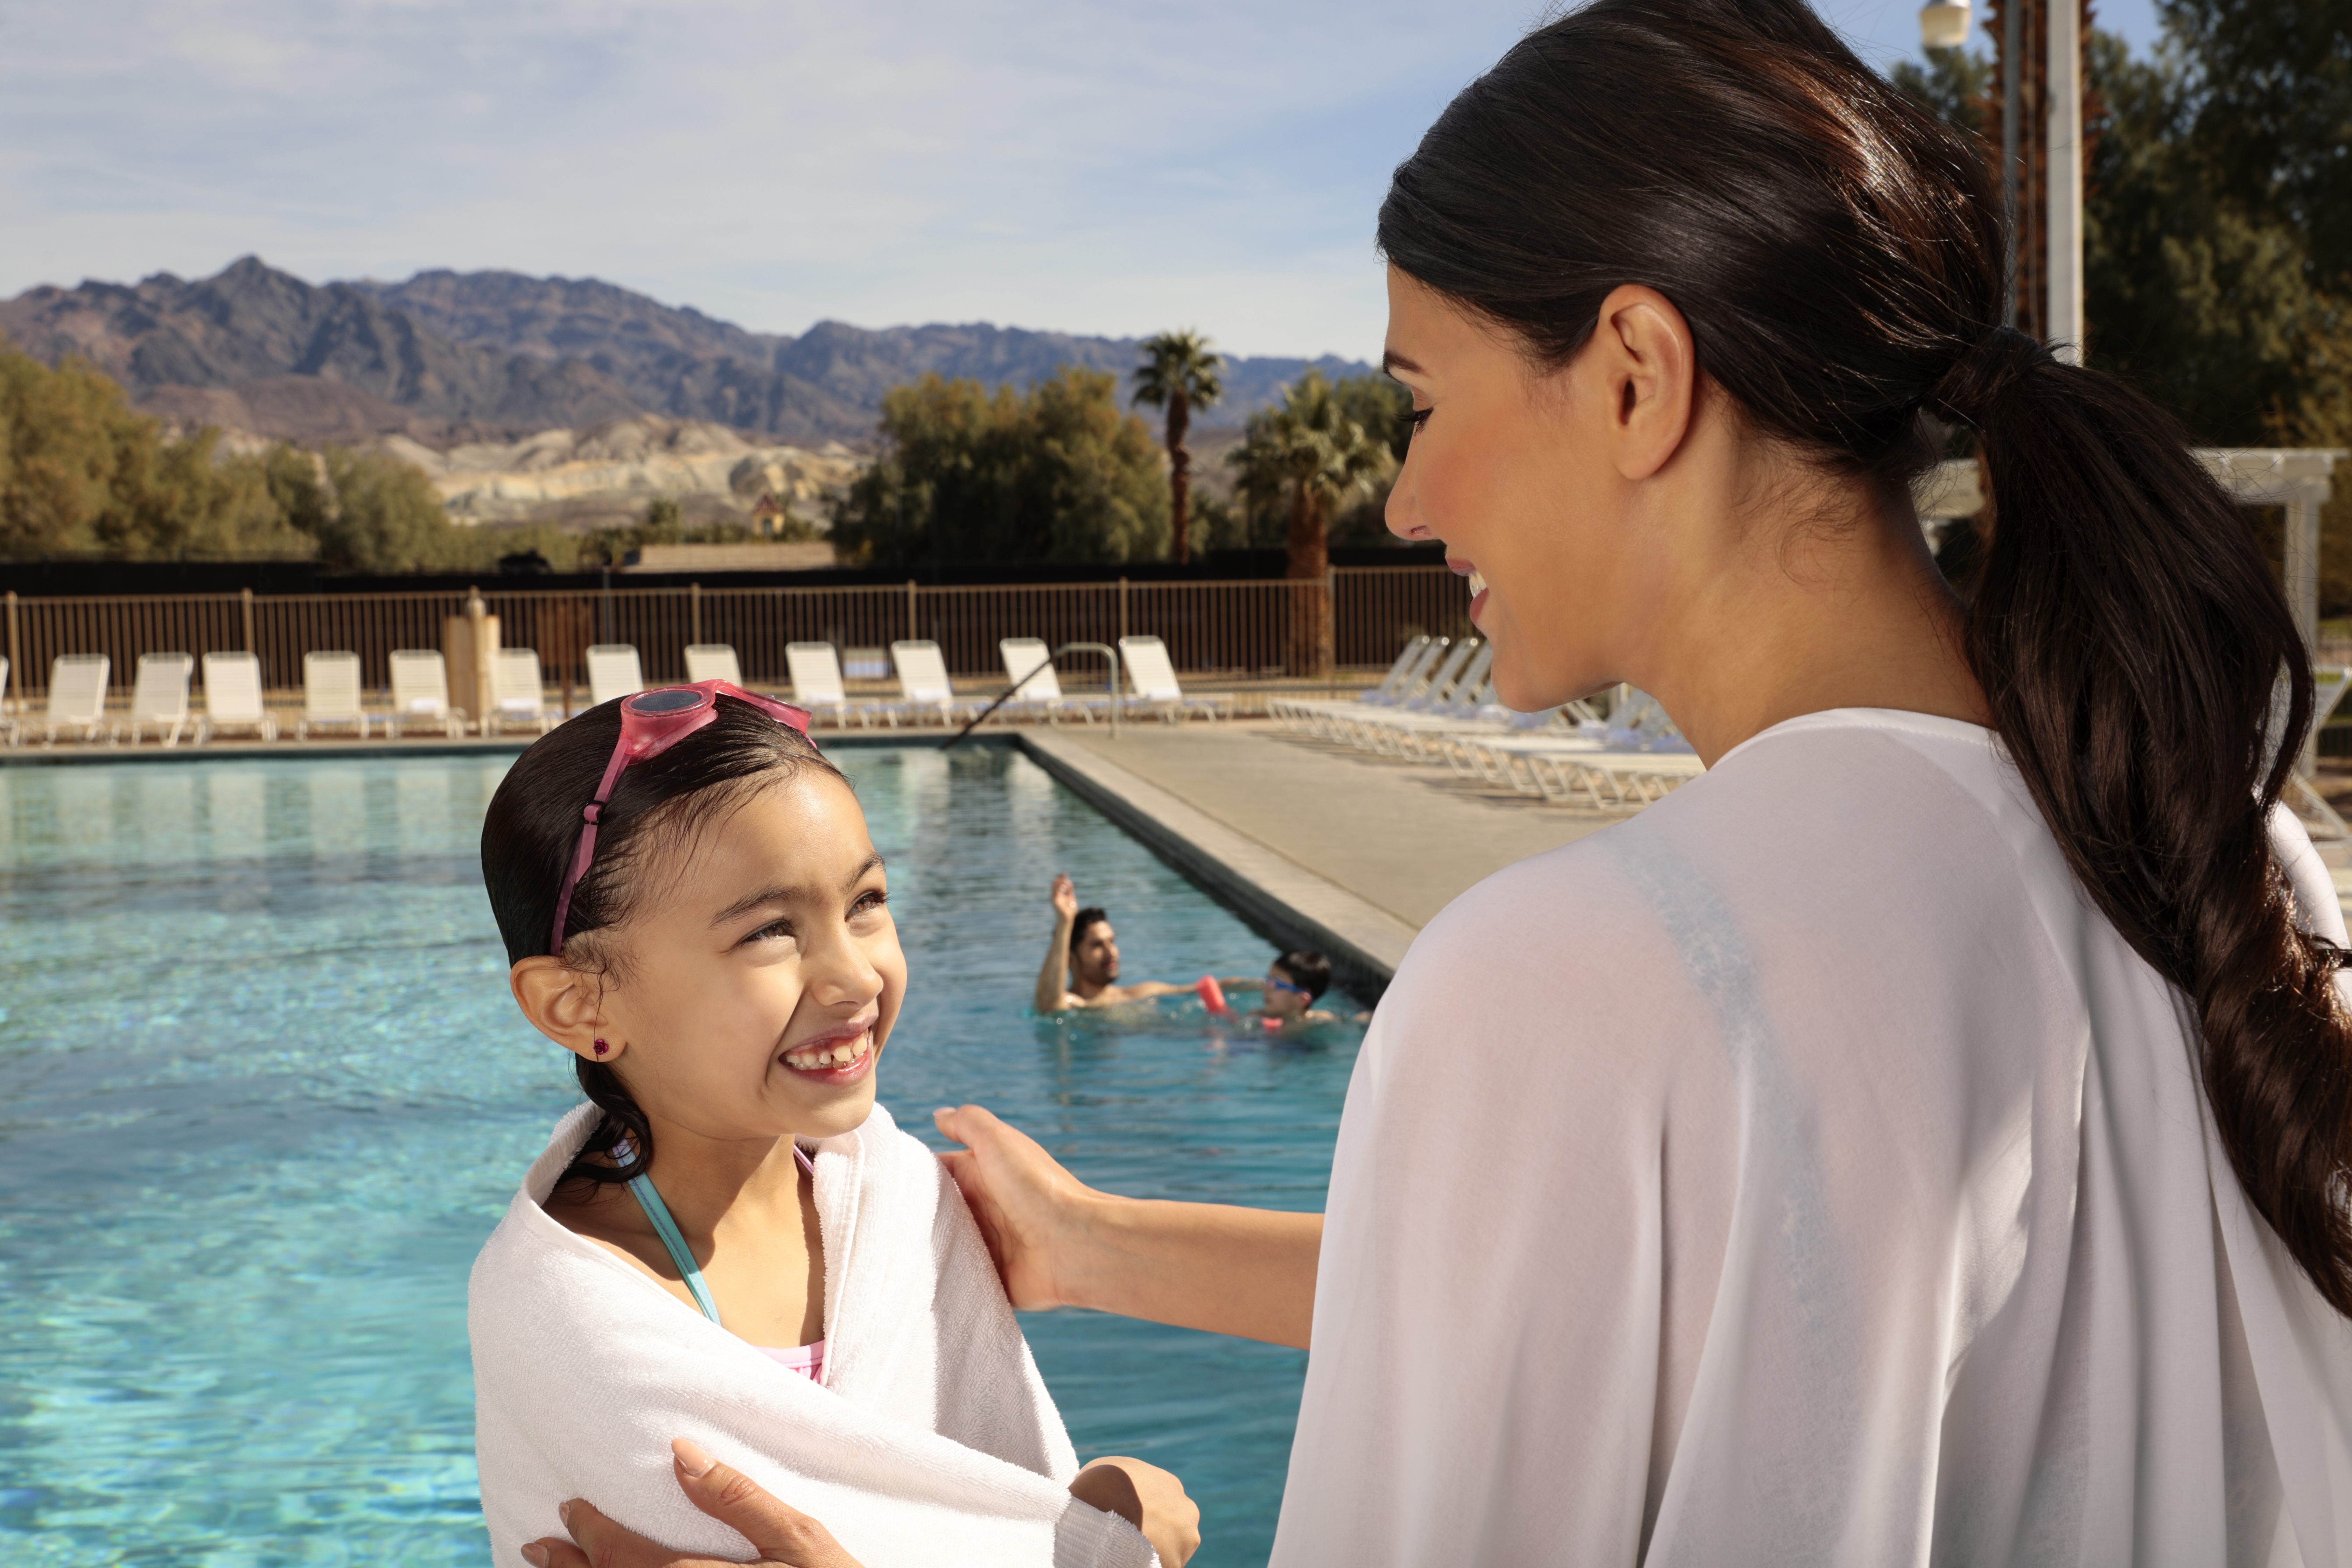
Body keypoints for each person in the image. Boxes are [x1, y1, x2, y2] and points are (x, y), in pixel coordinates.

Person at [568, 0, 2352, 1559]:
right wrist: (1098, 1242)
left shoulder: (1601, 967)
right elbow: (1688, 1294)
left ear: (1640, 376)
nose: (1406, 499)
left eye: (1423, 400)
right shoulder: (2224, 852)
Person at [467, 682, 1198, 1568]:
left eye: (866, 902)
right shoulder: (566, 1318)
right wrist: (1111, 1546)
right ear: (579, 1003)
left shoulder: (900, 1200)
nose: (854, 977)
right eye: (770, 931)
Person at [1034, 874, 1186, 1012]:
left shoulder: (1145, 993)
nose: (1111, 952)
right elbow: (1049, 1003)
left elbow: (1202, 989)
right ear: (1070, 959)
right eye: (1097, 945)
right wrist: (1065, 923)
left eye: (1112, 942)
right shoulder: (1075, 1005)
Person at [1211, 951, 1359, 1030]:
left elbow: (1352, 1023)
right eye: (1268, 980)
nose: (1265, 987)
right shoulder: (1257, 1017)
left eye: (1277, 984)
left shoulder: (1321, 1019)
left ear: (1301, 1000)